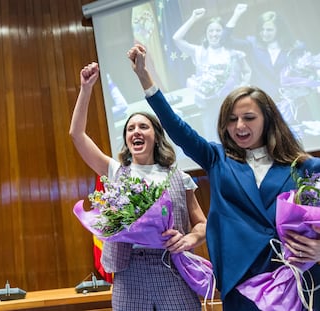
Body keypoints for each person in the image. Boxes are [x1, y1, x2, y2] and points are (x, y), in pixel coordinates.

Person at [127, 43, 320, 310]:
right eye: (231, 119)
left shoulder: (303, 167)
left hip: (297, 281)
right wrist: (144, 78)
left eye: (249, 117)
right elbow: (176, 127)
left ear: (268, 119)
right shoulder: (216, 159)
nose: (239, 126)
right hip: (242, 283)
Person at [69, 62, 207, 310]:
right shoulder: (114, 171)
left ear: (156, 136)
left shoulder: (179, 176)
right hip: (129, 272)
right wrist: (86, 89)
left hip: (172, 269)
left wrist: (190, 240)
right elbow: (77, 135)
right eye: (130, 128)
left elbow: (202, 224)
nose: (136, 131)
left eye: (143, 126)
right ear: (126, 139)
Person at [173, 8, 251, 142]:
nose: (214, 34)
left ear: (224, 33)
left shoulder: (232, 52)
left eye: (218, 30)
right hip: (209, 108)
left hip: (232, 106)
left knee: (237, 141)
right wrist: (193, 18)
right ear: (206, 34)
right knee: (214, 142)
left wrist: (243, 86)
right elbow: (176, 38)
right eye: (211, 31)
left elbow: (247, 71)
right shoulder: (199, 52)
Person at [224, 4, 305, 103]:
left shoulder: (295, 47)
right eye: (261, 30)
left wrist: (299, 91)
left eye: (269, 30)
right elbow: (225, 41)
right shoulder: (252, 44)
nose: (264, 33)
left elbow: (304, 75)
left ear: (279, 30)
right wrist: (236, 15)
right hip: (264, 102)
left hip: (293, 102)